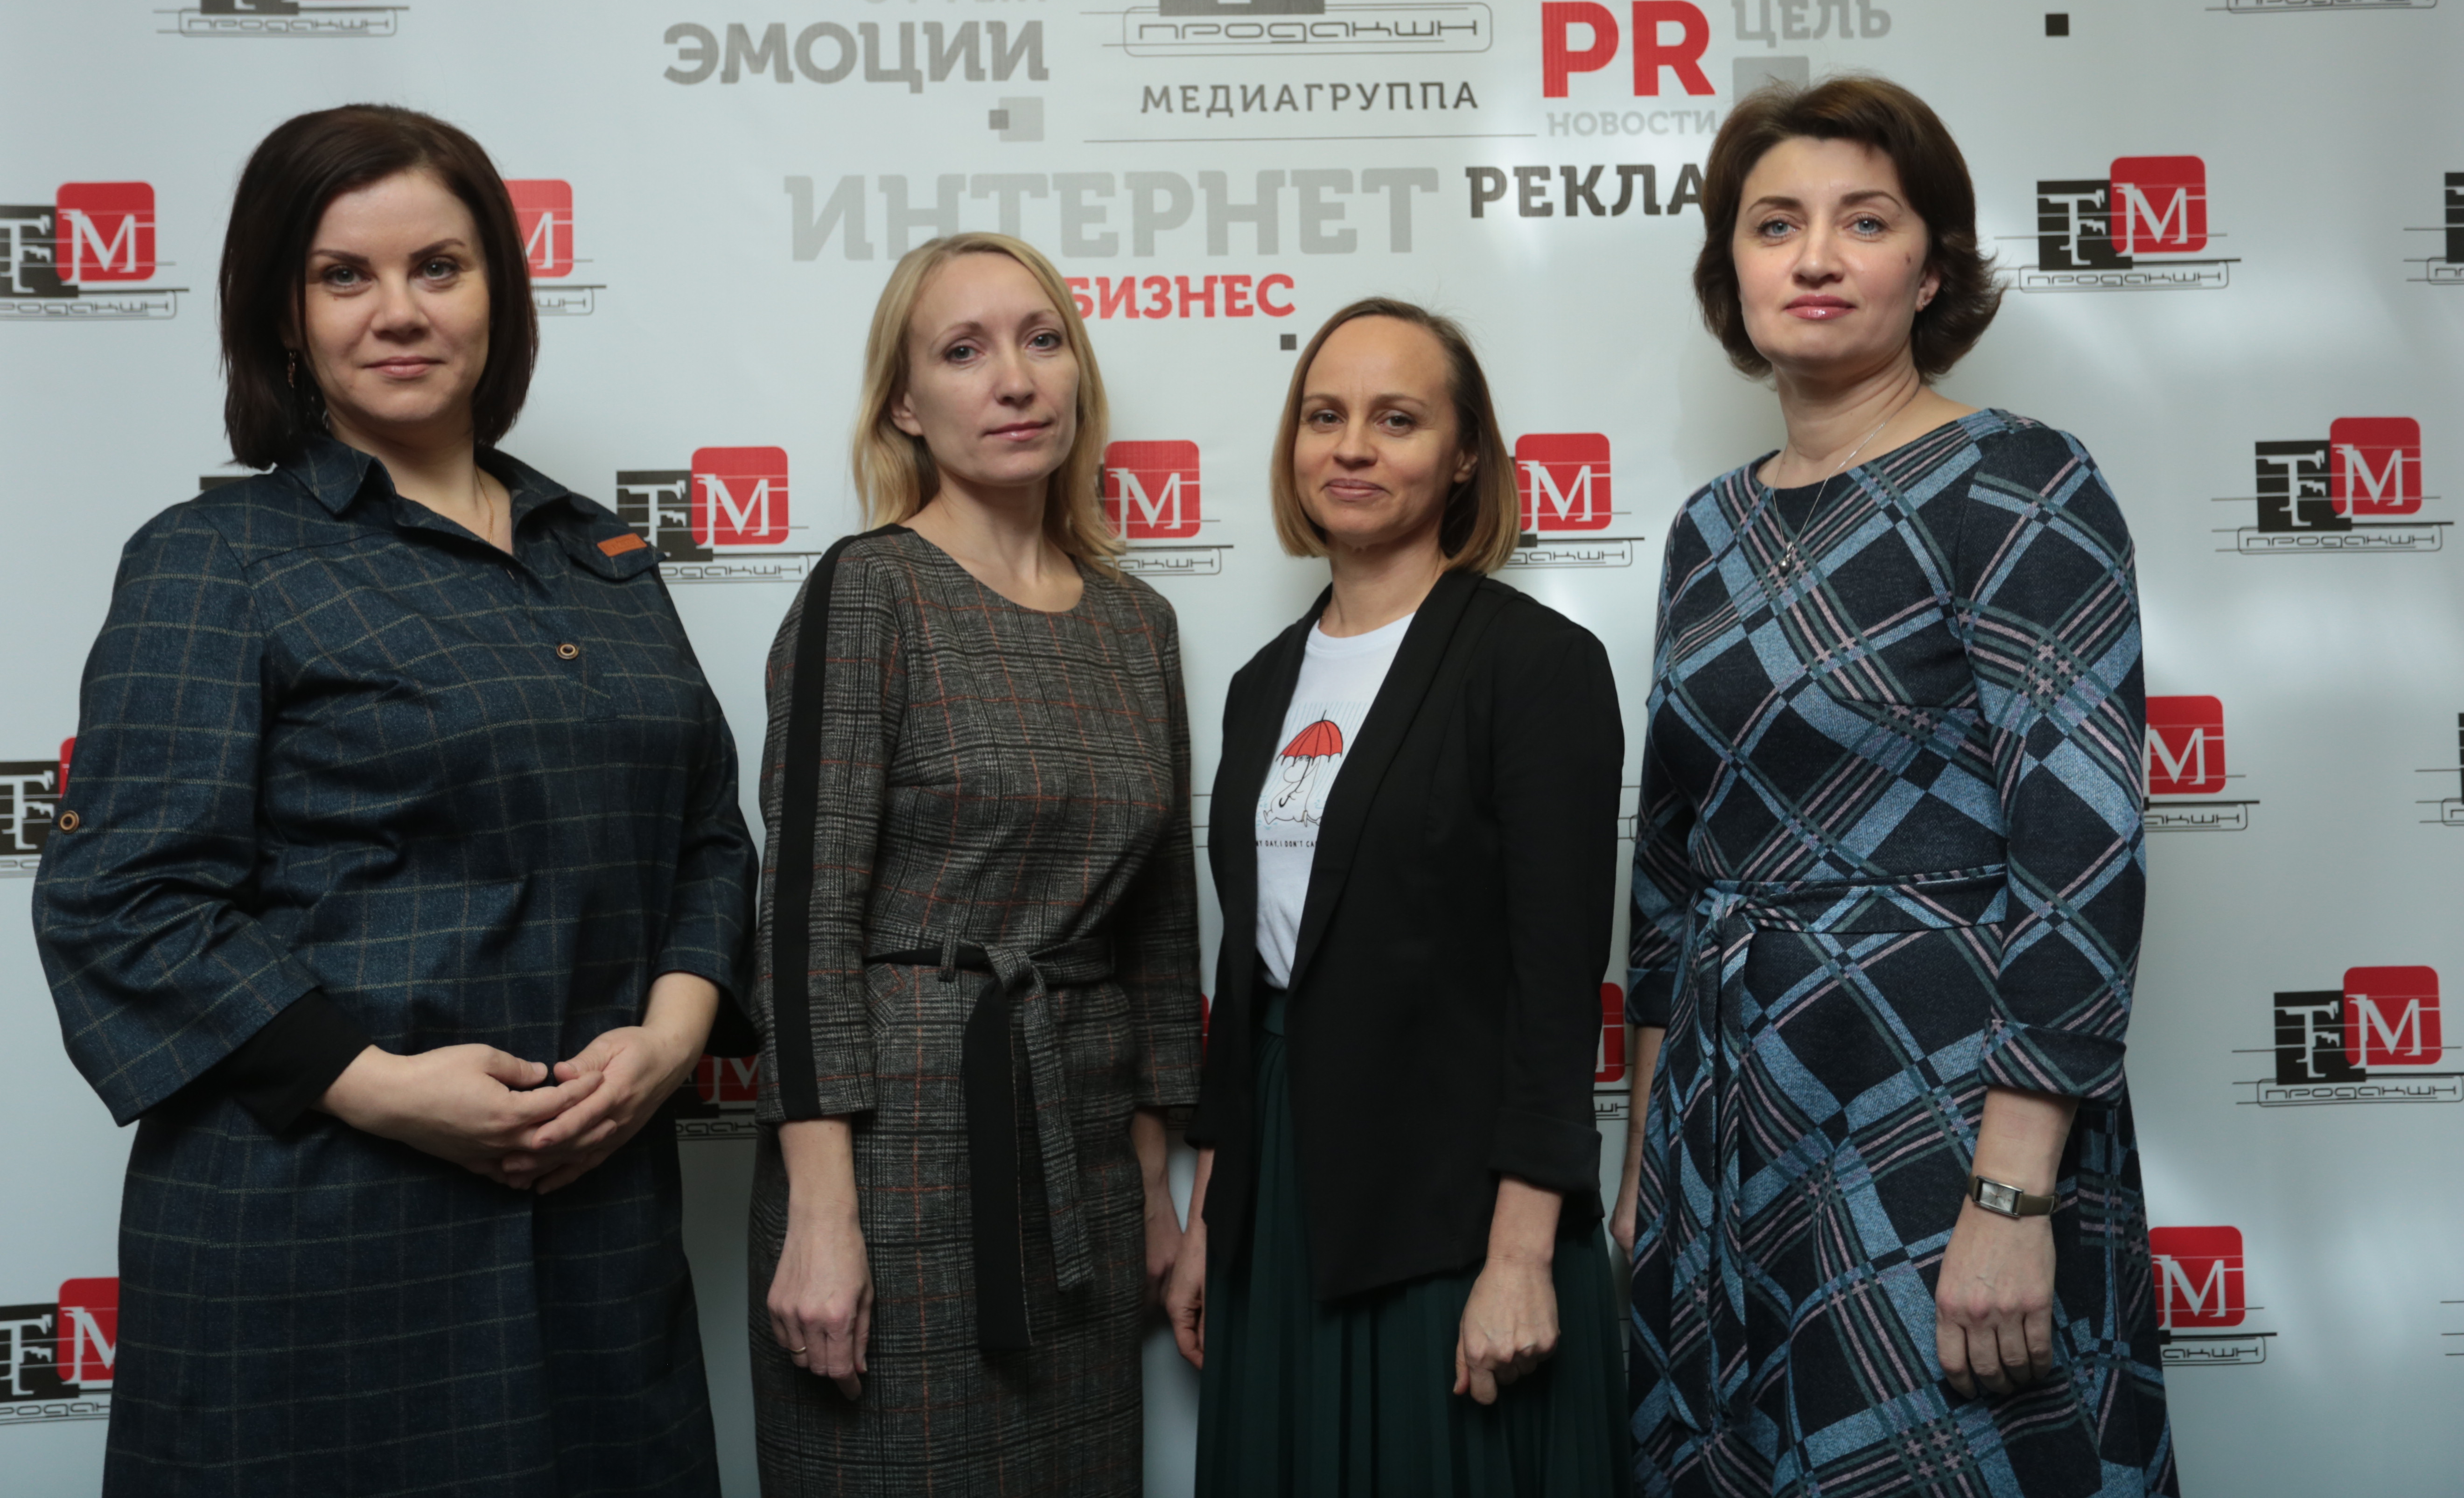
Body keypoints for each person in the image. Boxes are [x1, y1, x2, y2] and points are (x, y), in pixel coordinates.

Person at [32, 104, 756, 1496]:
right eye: (343, 276)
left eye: (439, 266)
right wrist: (382, 1090)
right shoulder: (217, 559)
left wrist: (671, 1041)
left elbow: (707, 841)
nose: (400, 311)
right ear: (283, 317)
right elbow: (124, 901)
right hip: (320, 1228)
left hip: (596, 1222)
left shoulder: (603, 557)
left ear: (498, 293)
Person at [1614, 77, 2178, 1495]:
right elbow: (1674, 869)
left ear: (1931, 271)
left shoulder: (2018, 481)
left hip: (1938, 1100)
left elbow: (2082, 843)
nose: (1815, 257)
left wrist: (2011, 1191)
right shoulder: (1706, 529)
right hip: (1733, 1118)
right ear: (1730, 268)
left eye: (1864, 222)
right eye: (1774, 225)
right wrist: (1648, 1168)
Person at [748, 232, 1204, 1497]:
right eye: (964, 351)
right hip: (893, 1152)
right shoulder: (870, 590)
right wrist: (821, 1216)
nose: (1015, 379)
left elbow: (1163, 933)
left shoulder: (1139, 624)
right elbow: (803, 918)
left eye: (1042, 340)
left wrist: (1153, 1182)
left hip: (1082, 1151)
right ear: (904, 403)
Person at [1166, 297, 1630, 1497]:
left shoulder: (1536, 666)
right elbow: (1248, 978)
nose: (1353, 447)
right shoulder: (1262, 683)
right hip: (1280, 1183)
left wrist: (1521, 1255)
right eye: (1325, 417)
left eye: (1398, 419)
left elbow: (1555, 993)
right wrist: (1213, 1217)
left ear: (1465, 455)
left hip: (1453, 1203)